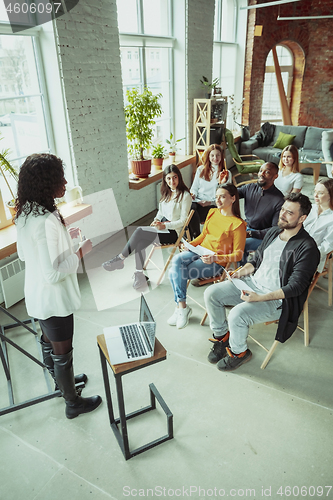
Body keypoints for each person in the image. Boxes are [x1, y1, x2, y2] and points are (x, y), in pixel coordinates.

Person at [15, 153, 102, 419]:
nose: (65, 182)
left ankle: (62, 383)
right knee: (62, 350)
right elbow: (53, 274)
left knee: (49, 342)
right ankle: (73, 402)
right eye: (59, 178)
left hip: (37, 296)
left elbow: (23, 254)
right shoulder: (42, 221)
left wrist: (65, 241)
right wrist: (80, 252)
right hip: (54, 300)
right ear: (45, 183)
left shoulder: (27, 213)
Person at [204, 192, 320, 372]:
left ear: (302, 218)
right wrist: (240, 272)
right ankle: (222, 337)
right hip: (251, 284)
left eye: (290, 213)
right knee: (211, 294)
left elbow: (296, 287)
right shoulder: (274, 232)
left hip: (275, 300)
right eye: (283, 209)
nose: (282, 214)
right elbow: (256, 261)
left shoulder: (307, 247)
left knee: (237, 315)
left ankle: (239, 353)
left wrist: (261, 298)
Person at [168, 183, 246, 329]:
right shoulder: (213, 212)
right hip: (200, 250)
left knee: (176, 271)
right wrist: (191, 244)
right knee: (177, 260)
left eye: (223, 197)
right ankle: (182, 307)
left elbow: (238, 254)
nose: (218, 200)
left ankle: (181, 308)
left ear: (233, 198)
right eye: (217, 197)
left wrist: (215, 258)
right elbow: (204, 235)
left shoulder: (238, 225)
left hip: (216, 262)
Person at [102, 164, 192, 289]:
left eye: (175, 177)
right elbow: (161, 212)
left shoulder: (185, 196)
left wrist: (165, 226)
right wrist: (156, 220)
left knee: (139, 231)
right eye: (169, 178)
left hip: (174, 233)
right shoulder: (166, 193)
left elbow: (183, 221)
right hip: (163, 227)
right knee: (140, 241)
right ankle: (139, 275)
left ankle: (120, 259)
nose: (172, 181)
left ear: (179, 178)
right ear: (165, 180)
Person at [238, 162, 284, 265]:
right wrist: (222, 183)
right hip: (247, 227)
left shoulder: (279, 199)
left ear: (275, 176)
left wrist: (251, 234)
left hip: (263, 236)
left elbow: (275, 229)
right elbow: (230, 194)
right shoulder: (250, 188)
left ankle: (241, 273)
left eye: (267, 172)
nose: (261, 174)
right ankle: (228, 268)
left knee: (241, 245)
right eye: (260, 171)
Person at [188, 144, 231, 239]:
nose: (215, 158)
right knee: (188, 209)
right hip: (198, 201)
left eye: (218, 155)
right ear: (208, 156)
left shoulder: (226, 173)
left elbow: (226, 195)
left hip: (213, 204)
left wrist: (210, 202)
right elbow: (194, 188)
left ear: (221, 156)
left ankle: (194, 238)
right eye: (212, 155)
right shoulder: (200, 170)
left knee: (191, 217)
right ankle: (196, 237)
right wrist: (193, 195)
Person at [303, 178, 333, 272]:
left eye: (320, 193)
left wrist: (306, 253)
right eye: (315, 191)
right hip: (295, 247)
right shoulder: (311, 208)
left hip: (310, 256)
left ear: (330, 196)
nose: (315, 195)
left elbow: (326, 246)